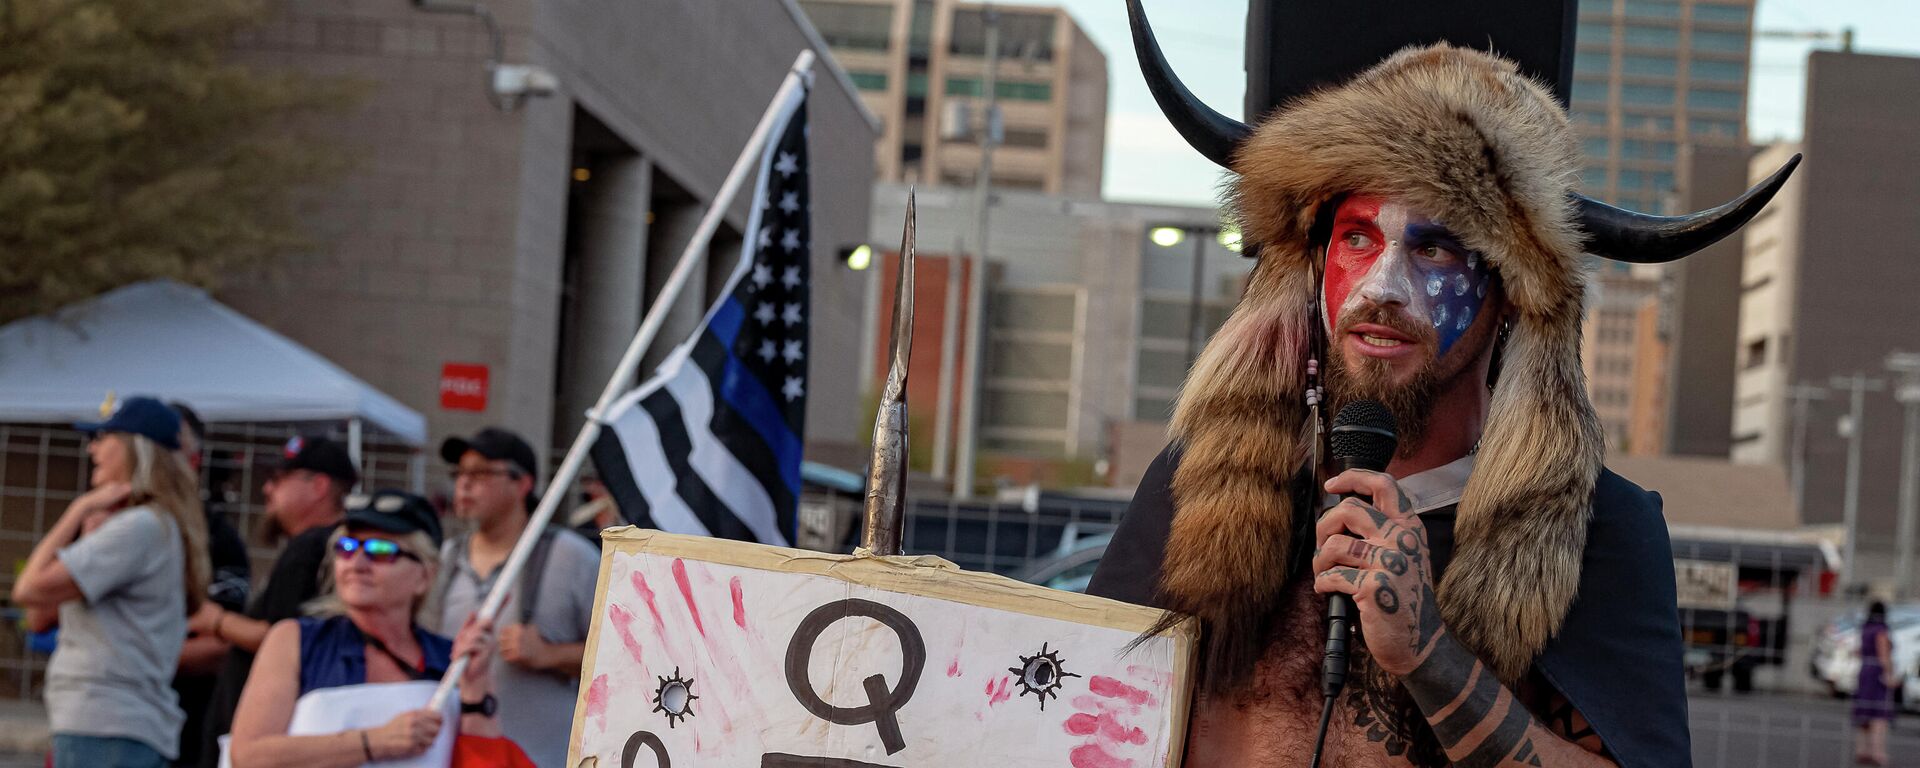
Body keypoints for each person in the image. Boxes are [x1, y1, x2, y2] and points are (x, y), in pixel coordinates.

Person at [1090, 6, 1796, 766]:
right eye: (1357, 238)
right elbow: (1069, 707)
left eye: (1436, 251)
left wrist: (1431, 656)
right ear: (1314, 265)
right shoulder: (1201, 482)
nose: (1382, 287)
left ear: (1510, 297)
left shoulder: (1597, 531)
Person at [227, 490, 524, 767]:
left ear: (425, 575)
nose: (357, 563)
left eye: (380, 550)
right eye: (346, 547)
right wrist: (374, 741)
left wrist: (475, 691)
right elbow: (249, 756)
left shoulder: (451, 660)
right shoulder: (296, 640)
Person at [12, 396, 212, 767]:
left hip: (107, 723)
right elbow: (39, 615)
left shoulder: (138, 527)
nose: (94, 449)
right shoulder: (152, 525)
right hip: (114, 723)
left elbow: (28, 588)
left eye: (105, 438)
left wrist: (77, 510)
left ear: (135, 449)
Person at [435, 428, 598, 767]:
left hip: (541, 758)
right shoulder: (445, 559)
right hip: (458, 756)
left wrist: (551, 655)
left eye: (480, 473)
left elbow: (626, 658)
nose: (463, 484)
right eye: (459, 473)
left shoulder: (571, 557)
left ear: (523, 484)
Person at [192, 434, 359, 767]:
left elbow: (279, 637)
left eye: (280, 480)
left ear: (319, 486)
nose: (268, 490)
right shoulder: (335, 548)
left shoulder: (310, 547)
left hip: (262, 734)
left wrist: (216, 621)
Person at [167, 403, 252, 768]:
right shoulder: (100, 522)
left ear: (193, 459)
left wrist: (130, 658)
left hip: (185, 723)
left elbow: (221, 646)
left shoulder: (218, 537)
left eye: (162, 448)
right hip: (96, 715)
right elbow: (41, 609)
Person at [1852, 601, 1896, 766]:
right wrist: (1889, 674)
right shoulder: (1881, 630)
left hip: (1864, 671)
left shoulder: (1865, 629)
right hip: (1877, 672)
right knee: (1879, 715)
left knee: (1864, 712)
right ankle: (1878, 752)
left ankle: (1862, 749)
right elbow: (1883, 654)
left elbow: (1857, 651)